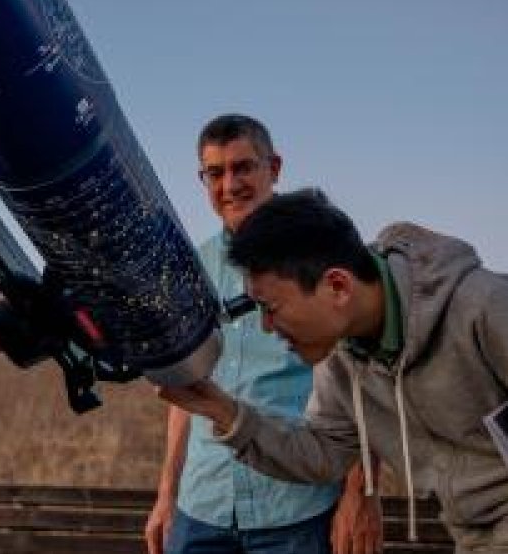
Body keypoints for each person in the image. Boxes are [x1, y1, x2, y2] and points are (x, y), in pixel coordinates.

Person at [160, 189, 508, 554]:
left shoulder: (491, 313)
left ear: (337, 287)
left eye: (273, 308)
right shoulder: (345, 358)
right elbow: (322, 455)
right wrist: (223, 412)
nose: (268, 328)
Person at [145, 116, 384, 554]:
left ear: (273, 168)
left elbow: (366, 380)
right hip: (204, 505)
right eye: (215, 173)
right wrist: (167, 494)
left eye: (243, 168)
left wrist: (362, 494)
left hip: (297, 507)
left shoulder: (321, 250)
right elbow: (184, 394)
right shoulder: (190, 267)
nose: (230, 184)